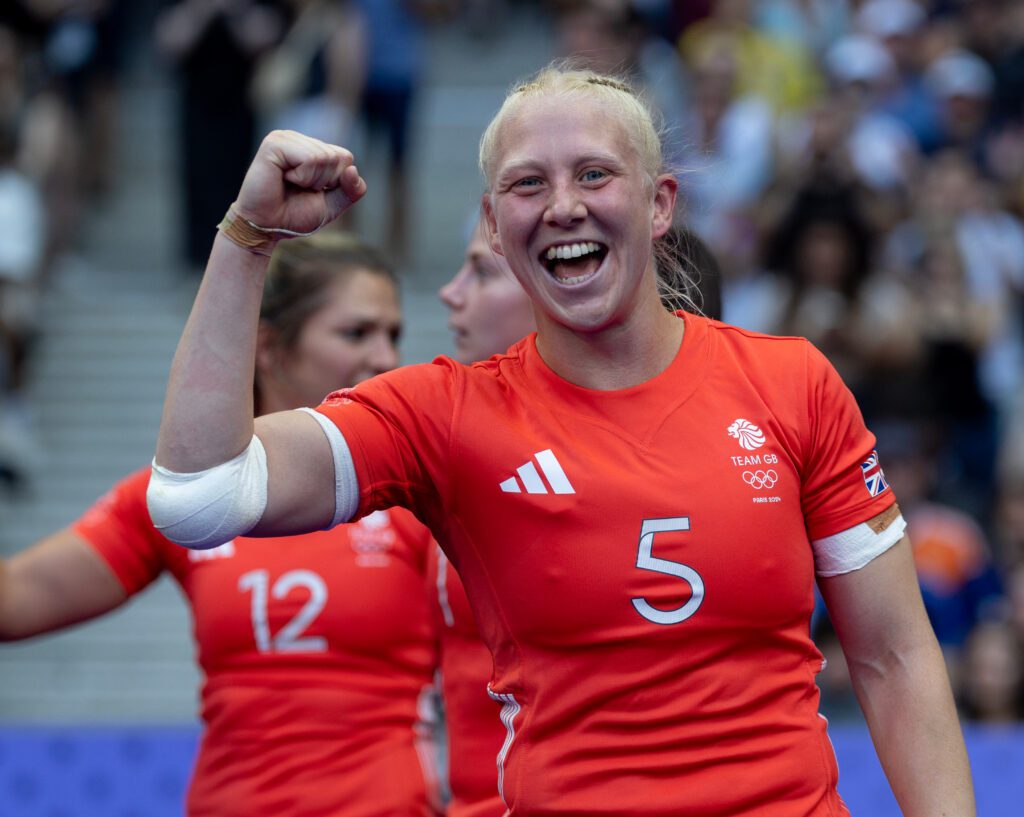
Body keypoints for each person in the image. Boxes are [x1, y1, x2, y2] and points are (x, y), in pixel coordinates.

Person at [150, 66, 975, 816]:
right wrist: (246, 239)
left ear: (660, 204)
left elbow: (897, 659)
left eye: (593, 173)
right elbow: (200, 496)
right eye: (526, 184)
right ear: (494, 223)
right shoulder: (443, 413)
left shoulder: (792, 382)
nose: (563, 206)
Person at [1, 232, 442, 817]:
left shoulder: (421, 490)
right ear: (269, 347)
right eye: (356, 333)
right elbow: (15, 602)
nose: (386, 359)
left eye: (394, 334)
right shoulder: (192, 497)